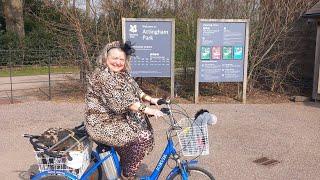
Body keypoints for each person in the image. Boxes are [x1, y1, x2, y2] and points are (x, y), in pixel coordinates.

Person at [85, 40, 164, 179]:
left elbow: (137, 90)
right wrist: (149, 110)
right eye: (114, 58)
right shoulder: (103, 76)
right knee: (142, 136)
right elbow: (125, 101)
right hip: (101, 123)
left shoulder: (123, 74)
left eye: (121, 59)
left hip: (115, 118)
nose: (118, 62)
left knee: (140, 129)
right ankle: (126, 175)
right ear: (105, 58)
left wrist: (152, 100)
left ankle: (125, 164)